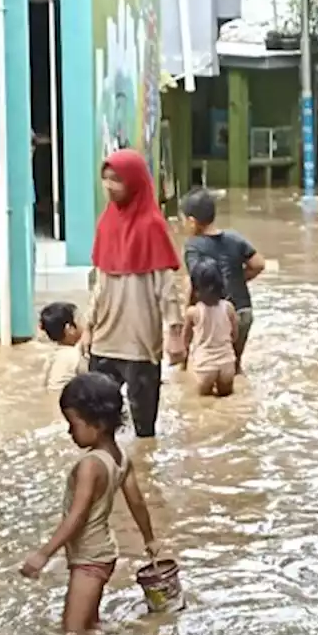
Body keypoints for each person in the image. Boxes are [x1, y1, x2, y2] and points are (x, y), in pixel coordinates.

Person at [20, 371, 159, 632]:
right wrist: (149, 539)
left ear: (99, 424)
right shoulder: (121, 458)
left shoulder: (90, 465)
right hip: (103, 554)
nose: (70, 431)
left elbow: (77, 516)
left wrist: (43, 555)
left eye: (74, 424)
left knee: (72, 634)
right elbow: (137, 503)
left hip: (89, 560)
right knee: (90, 625)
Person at [85, 149, 183, 438]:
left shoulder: (152, 226)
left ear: (134, 182)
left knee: (144, 432)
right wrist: (88, 328)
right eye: (105, 179)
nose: (109, 187)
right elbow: (100, 282)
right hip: (104, 341)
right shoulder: (106, 223)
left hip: (140, 345)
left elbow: (167, 287)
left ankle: (144, 475)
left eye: (116, 180)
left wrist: (175, 333)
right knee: (99, 423)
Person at [181, 188, 266, 374]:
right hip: (243, 311)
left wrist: (187, 314)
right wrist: (237, 278)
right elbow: (258, 264)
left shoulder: (193, 246)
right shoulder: (234, 238)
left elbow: (195, 283)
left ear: (191, 221)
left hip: (213, 317)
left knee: (208, 365)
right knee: (233, 366)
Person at [182, 257, 237, 397]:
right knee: (227, 399)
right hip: (227, 364)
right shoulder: (229, 308)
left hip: (204, 366)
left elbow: (185, 341)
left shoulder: (193, 312)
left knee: (204, 404)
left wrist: (183, 364)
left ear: (195, 288)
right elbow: (234, 336)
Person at [39, 301, 87, 392]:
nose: (85, 323)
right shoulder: (74, 355)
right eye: (81, 319)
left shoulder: (53, 355)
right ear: (70, 329)